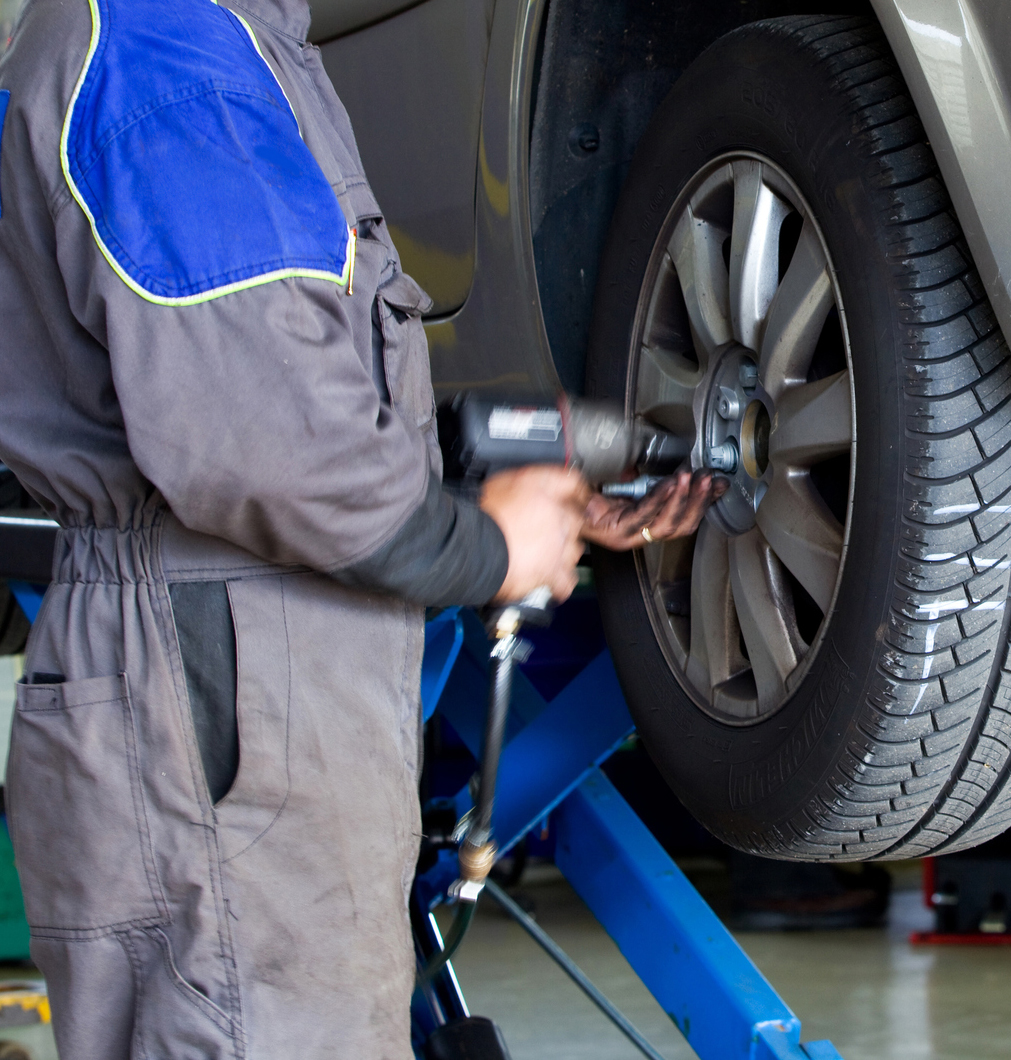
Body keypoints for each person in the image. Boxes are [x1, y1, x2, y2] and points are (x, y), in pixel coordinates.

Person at [0, 0, 720, 1055]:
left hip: (223, 664)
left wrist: (482, 482)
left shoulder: (209, 42)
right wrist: (484, 547)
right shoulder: (168, 58)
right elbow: (265, 439)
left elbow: (269, 377)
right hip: (220, 679)